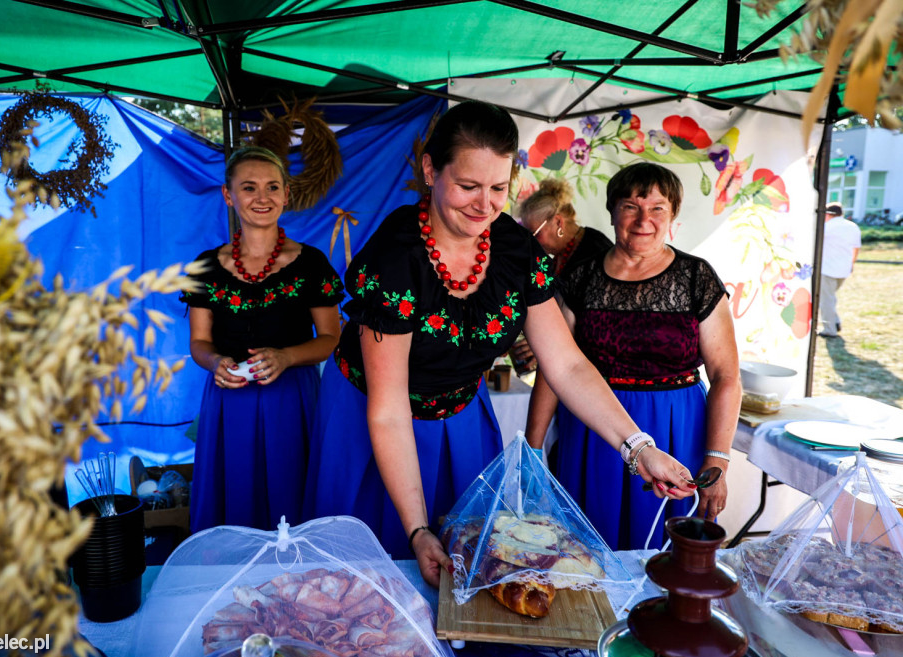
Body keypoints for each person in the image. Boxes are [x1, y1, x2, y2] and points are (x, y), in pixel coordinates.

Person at [303, 102, 696, 587]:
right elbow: (388, 409)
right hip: (374, 420)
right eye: (468, 186)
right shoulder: (396, 259)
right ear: (430, 170)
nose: (484, 205)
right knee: (376, 575)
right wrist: (418, 529)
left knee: (474, 559)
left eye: (497, 188)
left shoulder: (513, 248)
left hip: (462, 416)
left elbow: (566, 364)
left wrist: (638, 447)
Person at [525, 162, 741, 551]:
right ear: (611, 212)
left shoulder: (697, 279)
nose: (644, 220)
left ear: (672, 214)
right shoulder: (580, 279)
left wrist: (717, 461)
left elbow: (726, 376)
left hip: (677, 430)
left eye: (657, 208)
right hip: (594, 430)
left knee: (665, 552)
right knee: (586, 547)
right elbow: (554, 369)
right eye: (630, 206)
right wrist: (533, 450)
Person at [181, 146, 344, 533]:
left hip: (293, 399)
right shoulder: (204, 266)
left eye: (272, 187)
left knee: (294, 501)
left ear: (286, 194)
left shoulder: (311, 264)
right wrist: (215, 363)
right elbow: (199, 343)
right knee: (232, 500)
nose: (262, 198)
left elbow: (331, 338)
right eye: (249, 187)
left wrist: (287, 357)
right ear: (228, 194)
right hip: (228, 399)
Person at [508, 177, 613, 377]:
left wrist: (548, 344)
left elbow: (594, 321)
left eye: (535, 234)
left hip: (593, 370)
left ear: (558, 222)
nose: (532, 243)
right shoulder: (559, 256)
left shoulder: (594, 251)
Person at [818, 201, 861, 338]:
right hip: (843, 269)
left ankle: (830, 329)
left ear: (828, 214)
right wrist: (852, 263)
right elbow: (856, 248)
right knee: (829, 298)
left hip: (827, 268)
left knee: (826, 300)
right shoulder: (853, 226)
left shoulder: (826, 227)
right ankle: (835, 321)